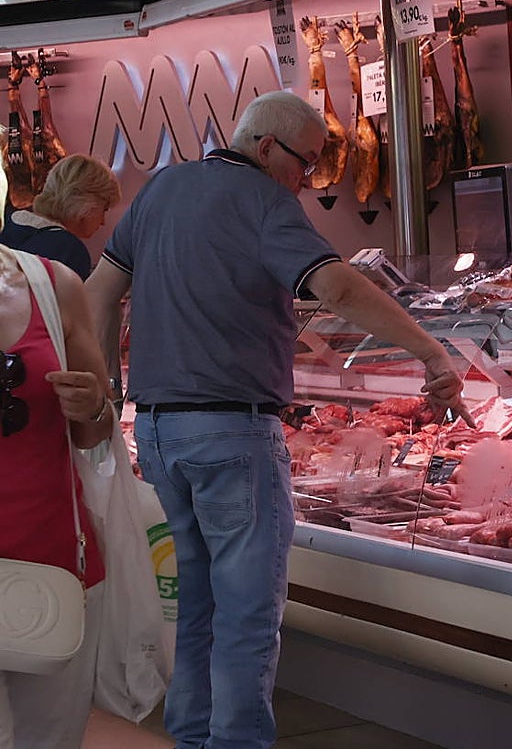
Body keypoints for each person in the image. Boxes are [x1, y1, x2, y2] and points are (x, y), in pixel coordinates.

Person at [85, 90, 471, 749]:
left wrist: (108, 388)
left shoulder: (160, 189)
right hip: (232, 433)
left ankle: (194, 736)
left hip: (157, 431)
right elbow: (339, 288)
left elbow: (99, 291)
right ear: (267, 147)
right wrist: (432, 350)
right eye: (307, 164)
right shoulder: (264, 203)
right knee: (248, 614)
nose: (307, 182)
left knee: (200, 602)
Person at [0, 191, 115, 747]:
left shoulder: (55, 286)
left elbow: (94, 431)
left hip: (50, 556)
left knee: (51, 738)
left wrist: (92, 403)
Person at [0, 154, 121, 280]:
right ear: (88, 204)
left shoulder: (7, 221)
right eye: (104, 210)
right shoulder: (69, 251)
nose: (103, 222)